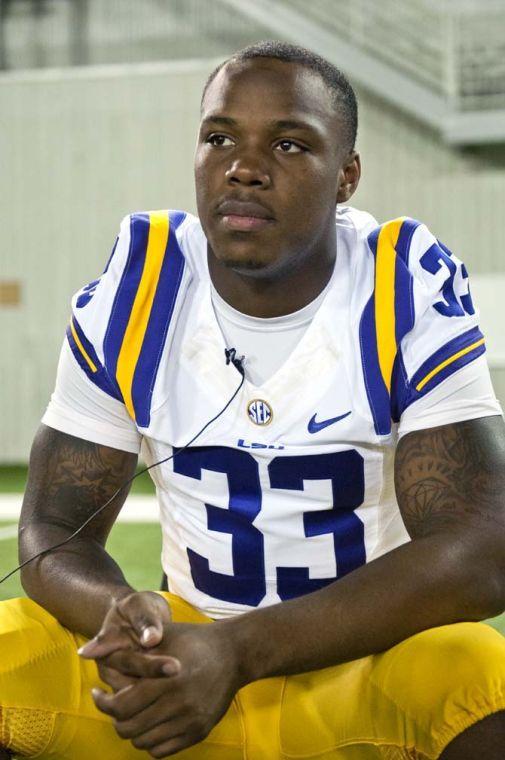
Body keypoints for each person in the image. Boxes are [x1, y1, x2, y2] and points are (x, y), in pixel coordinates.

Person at [1, 40, 505, 760]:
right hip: (181, 660)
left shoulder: (399, 284)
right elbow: (52, 527)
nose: (242, 167)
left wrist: (238, 652)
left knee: (480, 680)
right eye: (218, 137)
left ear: (345, 177)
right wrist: (124, 615)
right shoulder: (140, 287)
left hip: (355, 672)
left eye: (291, 144)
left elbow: (481, 549)